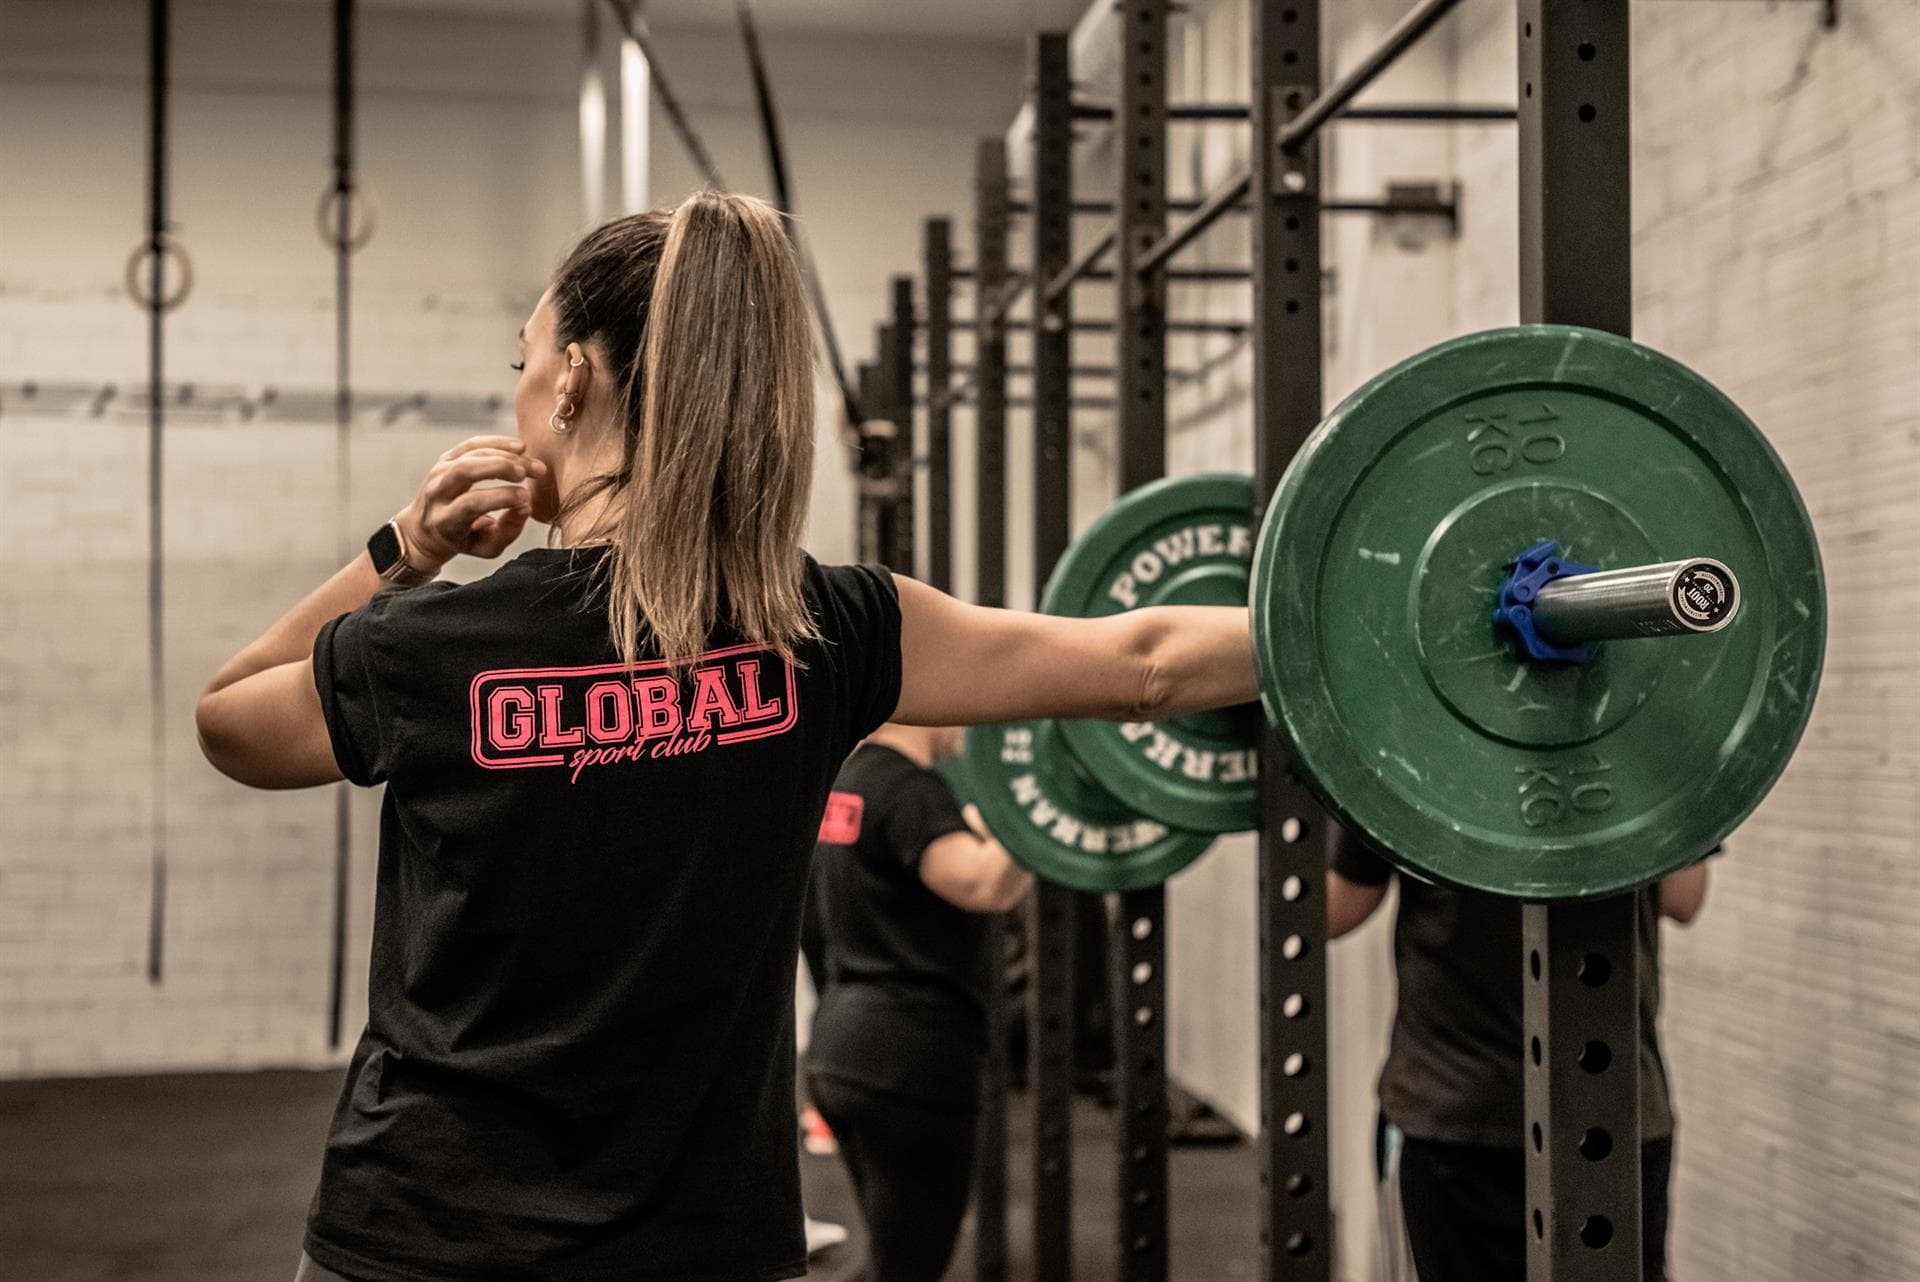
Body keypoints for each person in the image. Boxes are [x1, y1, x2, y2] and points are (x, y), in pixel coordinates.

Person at [192, 193, 1257, 1282]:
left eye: (522, 361)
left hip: (424, 1230)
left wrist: (403, 550)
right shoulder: (827, 630)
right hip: (703, 1245)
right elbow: (1145, 664)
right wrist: (1347, 616)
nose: (516, 396)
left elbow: (230, 719)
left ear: (571, 378)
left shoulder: (434, 641)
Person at [1326, 827, 1711, 1282]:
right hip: (1604, 1109)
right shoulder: (1653, 760)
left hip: (1457, 1107)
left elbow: (1334, 910)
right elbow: (1684, 896)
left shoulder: (1408, 758)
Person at [804, 723, 1030, 1282]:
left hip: (843, 1052)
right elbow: (983, 884)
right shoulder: (909, 790)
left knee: (889, 1257)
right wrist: (1047, 811)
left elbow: (932, 848)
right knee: (909, 1267)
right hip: (911, 1064)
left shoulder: (851, 780)